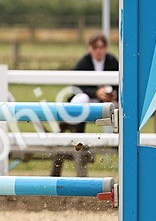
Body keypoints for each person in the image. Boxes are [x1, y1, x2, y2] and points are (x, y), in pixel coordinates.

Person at [51, 34, 119, 177]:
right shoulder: (84, 62)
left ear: (106, 48)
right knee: (82, 99)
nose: (99, 51)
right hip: (90, 98)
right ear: (90, 48)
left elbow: (121, 84)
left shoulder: (112, 61)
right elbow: (77, 86)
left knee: (119, 107)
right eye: (95, 47)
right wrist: (96, 92)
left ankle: (118, 141)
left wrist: (112, 94)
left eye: (101, 47)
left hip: (107, 101)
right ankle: (78, 137)